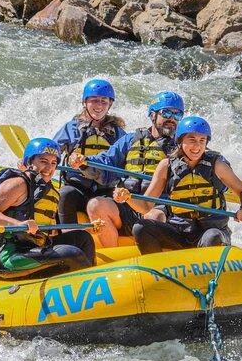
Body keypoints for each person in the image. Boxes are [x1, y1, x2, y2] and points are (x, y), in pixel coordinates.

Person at [113, 116, 242, 255]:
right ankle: (159, 270)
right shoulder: (166, 166)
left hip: (211, 231)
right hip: (180, 233)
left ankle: (205, 269)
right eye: (192, 140)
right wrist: (128, 198)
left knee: (212, 237)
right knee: (141, 227)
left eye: (202, 140)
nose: (197, 146)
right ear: (180, 141)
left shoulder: (217, 164)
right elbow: (145, 207)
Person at [69, 91, 184, 247]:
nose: (172, 118)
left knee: (154, 216)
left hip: (159, 206)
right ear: (152, 115)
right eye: (167, 112)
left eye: (178, 115)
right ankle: (115, 256)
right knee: (95, 205)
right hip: (126, 202)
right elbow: (107, 161)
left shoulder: (183, 146)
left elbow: (204, 164)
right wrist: (84, 162)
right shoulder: (131, 140)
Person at [0, 137, 96, 278]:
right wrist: (18, 224)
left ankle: (85, 279)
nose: (49, 168)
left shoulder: (51, 191)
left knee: (83, 238)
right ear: (29, 162)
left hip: (37, 247)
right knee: (72, 254)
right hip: (11, 256)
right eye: (43, 161)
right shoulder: (17, 183)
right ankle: (89, 285)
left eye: (53, 163)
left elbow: (51, 232)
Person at [53, 78, 126, 224]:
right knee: (65, 194)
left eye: (104, 101)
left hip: (106, 190)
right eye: (94, 100)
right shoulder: (71, 128)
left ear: (110, 104)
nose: (99, 105)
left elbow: (126, 162)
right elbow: (53, 152)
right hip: (77, 187)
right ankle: (70, 236)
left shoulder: (118, 133)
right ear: (85, 102)